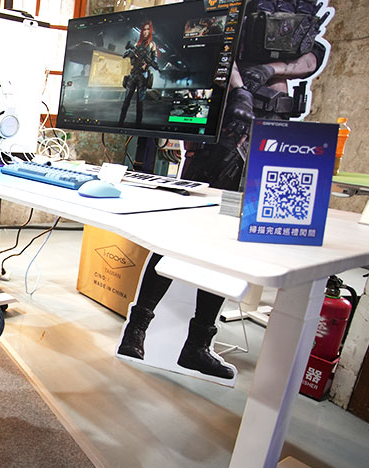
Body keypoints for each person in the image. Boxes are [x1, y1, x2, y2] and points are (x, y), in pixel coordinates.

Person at [118, 1, 331, 379]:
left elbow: (312, 53)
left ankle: (197, 344)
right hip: (225, 131)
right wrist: (239, 90)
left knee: (228, 242)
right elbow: (212, 40)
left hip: (268, 135)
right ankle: (137, 329)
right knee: (179, 234)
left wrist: (272, 70)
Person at [118, 21, 159, 126]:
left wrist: (147, 64)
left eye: (148, 29)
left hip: (143, 76)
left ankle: (138, 126)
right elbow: (125, 55)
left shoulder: (152, 45)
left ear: (150, 31)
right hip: (133, 74)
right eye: (144, 29)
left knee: (140, 104)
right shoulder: (136, 44)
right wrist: (131, 54)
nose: (146, 32)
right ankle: (120, 123)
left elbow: (155, 62)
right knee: (126, 101)